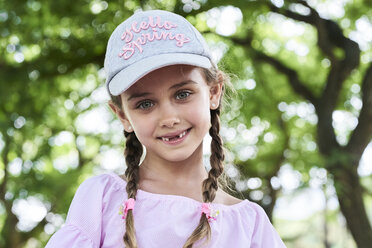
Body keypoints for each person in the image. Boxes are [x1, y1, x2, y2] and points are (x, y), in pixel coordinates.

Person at [45, 10, 286, 248]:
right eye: (145, 104)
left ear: (213, 92)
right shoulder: (101, 199)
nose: (169, 118)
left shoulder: (249, 225)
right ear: (122, 115)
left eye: (183, 94)